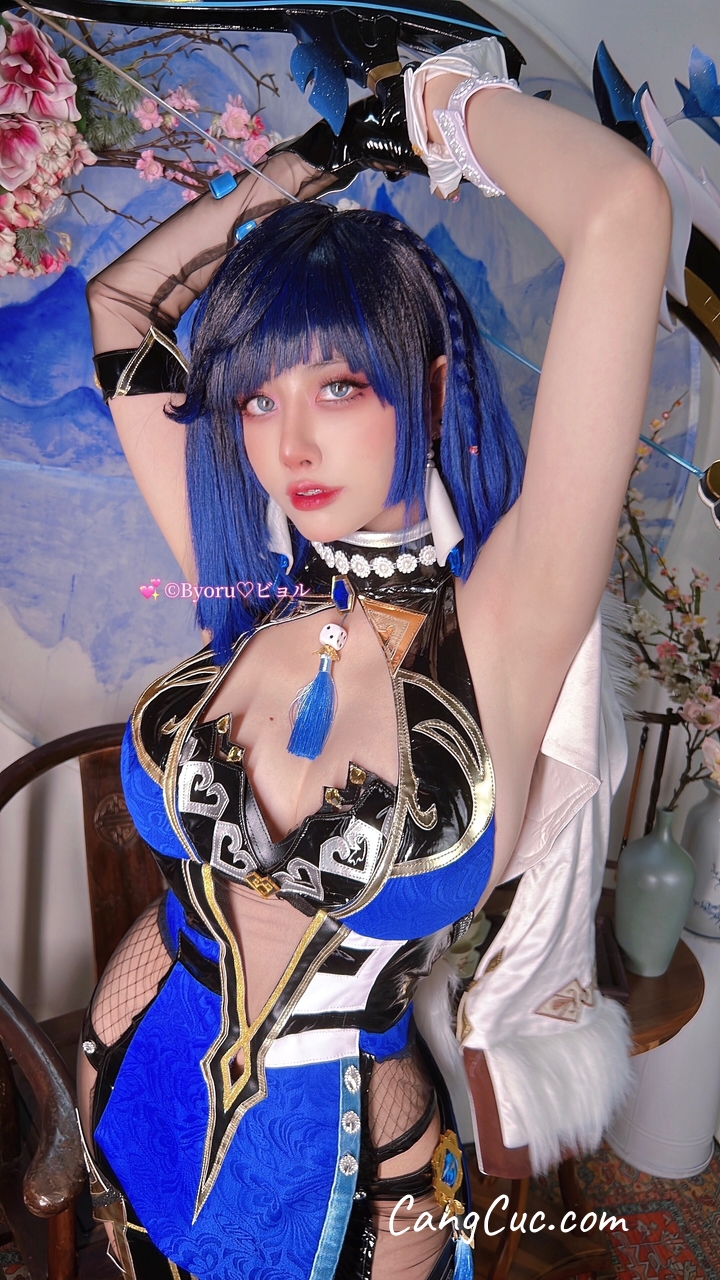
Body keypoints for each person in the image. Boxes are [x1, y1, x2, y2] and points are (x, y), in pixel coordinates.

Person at [77, 32, 671, 1280]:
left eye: (337, 386)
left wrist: (434, 111)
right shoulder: (249, 577)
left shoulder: (500, 626)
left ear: (432, 388)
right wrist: (312, 162)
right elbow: (121, 309)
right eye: (257, 397)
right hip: (132, 1078)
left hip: (348, 1185)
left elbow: (621, 213)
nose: (287, 442)